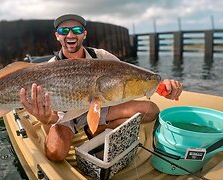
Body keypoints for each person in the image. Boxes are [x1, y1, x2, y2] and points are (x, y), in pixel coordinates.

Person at [19, 14, 183, 161]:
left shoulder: (102, 57)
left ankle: (98, 128)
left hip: (100, 106)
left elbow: (131, 76)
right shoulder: (48, 68)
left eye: (77, 29)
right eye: (64, 31)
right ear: (57, 36)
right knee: (55, 153)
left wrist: (161, 84)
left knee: (151, 110)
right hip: (66, 116)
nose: (70, 34)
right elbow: (52, 117)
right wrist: (46, 119)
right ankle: (94, 129)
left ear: (84, 34)